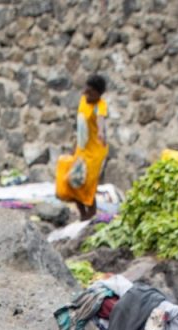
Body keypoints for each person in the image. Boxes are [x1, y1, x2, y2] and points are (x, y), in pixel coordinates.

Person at [55, 74, 110, 222]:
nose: (87, 93)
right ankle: (83, 214)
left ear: (98, 94)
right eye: (87, 89)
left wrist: (101, 132)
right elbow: (80, 127)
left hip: (95, 152)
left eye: (91, 92)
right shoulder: (83, 101)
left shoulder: (100, 106)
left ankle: (90, 216)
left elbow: (100, 120)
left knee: (87, 184)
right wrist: (75, 148)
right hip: (82, 149)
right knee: (71, 181)